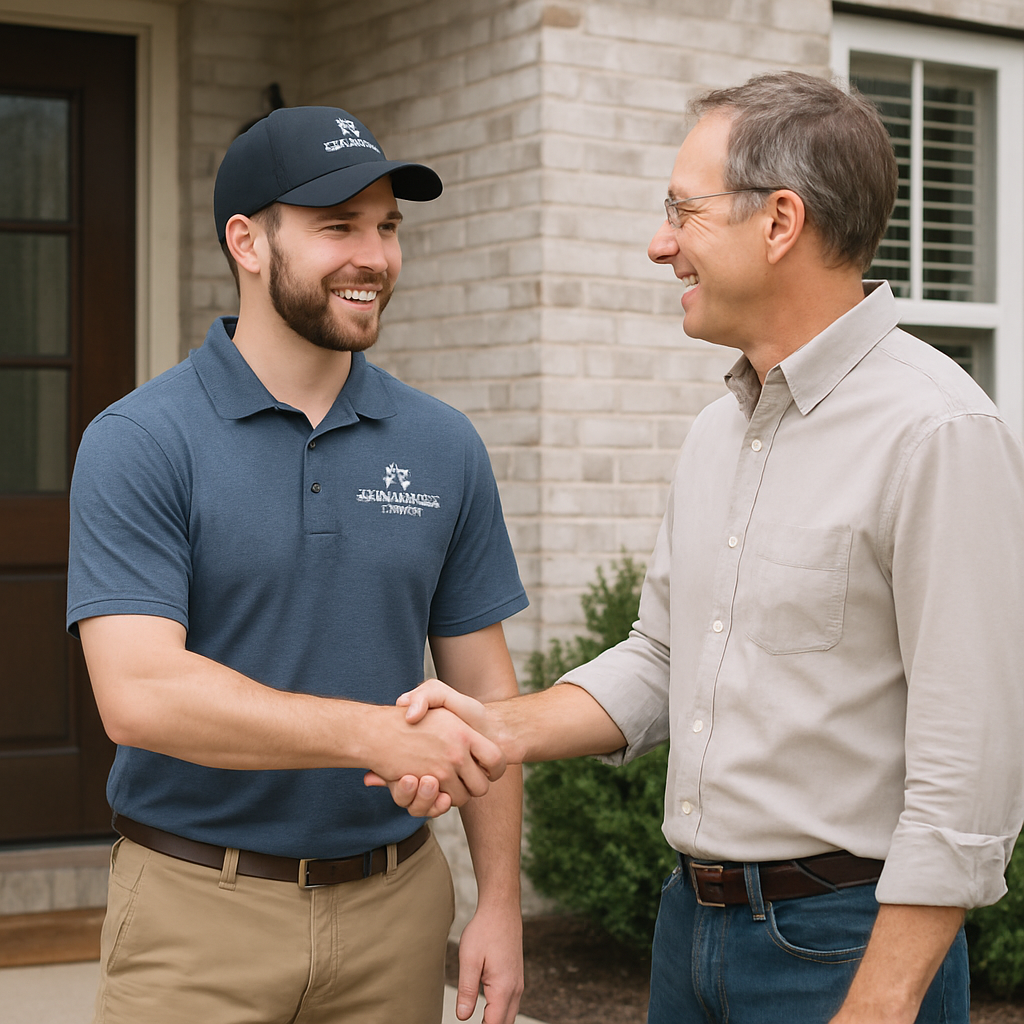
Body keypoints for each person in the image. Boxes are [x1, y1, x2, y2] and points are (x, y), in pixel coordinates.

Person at [372, 72, 1024, 1024]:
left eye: (684, 210)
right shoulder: (722, 430)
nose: (660, 242)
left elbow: (969, 776)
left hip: (845, 947)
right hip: (691, 930)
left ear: (780, 221)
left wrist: (879, 1004)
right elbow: (664, 657)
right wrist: (497, 729)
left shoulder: (938, 433)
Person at [67, 105, 528, 1024]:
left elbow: (487, 694)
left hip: (396, 912)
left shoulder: (443, 445)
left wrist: (500, 904)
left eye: (387, 227)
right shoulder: (141, 440)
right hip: (196, 917)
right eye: (338, 227)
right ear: (248, 241)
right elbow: (140, 694)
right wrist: (373, 736)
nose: (375, 256)